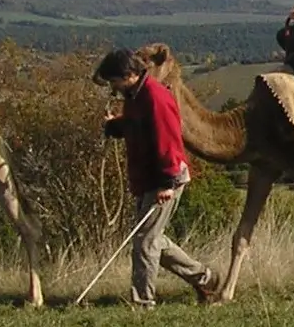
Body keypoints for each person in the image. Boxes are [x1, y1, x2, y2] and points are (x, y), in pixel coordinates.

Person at [94, 47, 220, 308]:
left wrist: (168, 183)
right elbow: (136, 126)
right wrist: (114, 126)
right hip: (149, 178)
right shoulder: (135, 96)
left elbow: (169, 142)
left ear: (128, 74)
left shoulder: (155, 97)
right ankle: (204, 278)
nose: (113, 88)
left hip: (164, 179)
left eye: (114, 81)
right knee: (154, 239)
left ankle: (143, 303)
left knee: (145, 241)